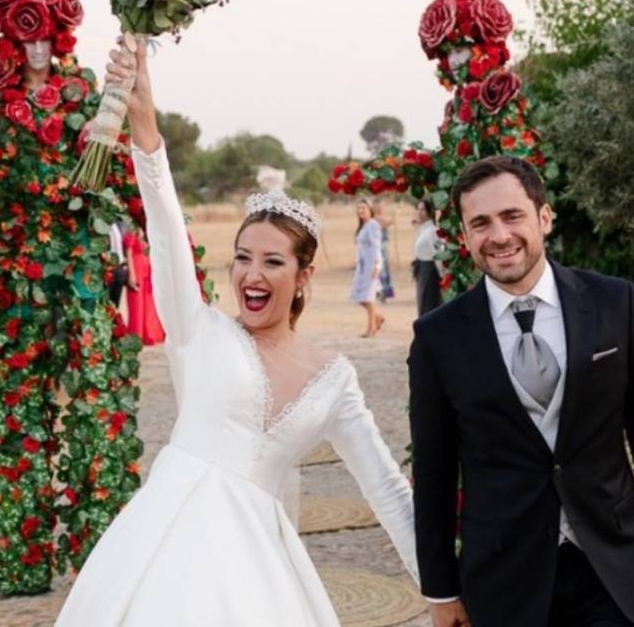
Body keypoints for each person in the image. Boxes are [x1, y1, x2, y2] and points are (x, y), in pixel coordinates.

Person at [55, 41, 417, 626]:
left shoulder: (335, 379)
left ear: (302, 278)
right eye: (243, 257)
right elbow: (167, 226)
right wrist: (145, 127)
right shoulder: (198, 332)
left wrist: (442, 589)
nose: (252, 274)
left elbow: (387, 491)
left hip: (261, 579)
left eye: (273, 263)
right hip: (159, 557)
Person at [408, 156, 634, 627]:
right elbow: (434, 473)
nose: (499, 236)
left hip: (609, 567)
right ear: (464, 237)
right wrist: (441, 589)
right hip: (504, 580)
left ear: (544, 218)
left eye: (512, 216)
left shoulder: (613, 302)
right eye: (480, 223)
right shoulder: (438, 337)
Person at [123, 224, 165, 346]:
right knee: (136, 305)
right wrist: (131, 274)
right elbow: (129, 253)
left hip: (148, 272)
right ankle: (137, 336)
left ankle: (149, 334)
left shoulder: (148, 229)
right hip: (136, 270)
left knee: (148, 305)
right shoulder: (132, 230)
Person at [350, 198, 385, 337]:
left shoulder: (373, 225)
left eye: (363, 208)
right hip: (362, 267)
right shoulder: (363, 226)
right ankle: (378, 318)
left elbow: (377, 247)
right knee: (361, 298)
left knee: (368, 298)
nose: (360, 211)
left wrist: (377, 266)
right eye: (358, 209)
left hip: (371, 266)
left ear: (370, 210)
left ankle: (371, 329)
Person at [412, 199, 443, 316]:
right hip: (422, 270)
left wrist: (442, 275)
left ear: (430, 211)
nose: (419, 212)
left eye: (423, 210)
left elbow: (439, 253)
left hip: (430, 271)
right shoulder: (423, 229)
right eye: (418, 209)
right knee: (422, 302)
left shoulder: (433, 231)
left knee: (428, 303)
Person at [372, 197, 395, 302]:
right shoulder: (376, 218)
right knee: (382, 270)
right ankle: (381, 292)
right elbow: (390, 222)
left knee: (383, 269)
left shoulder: (377, 217)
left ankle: (381, 292)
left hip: (383, 246)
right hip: (380, 247)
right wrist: (396, 213)